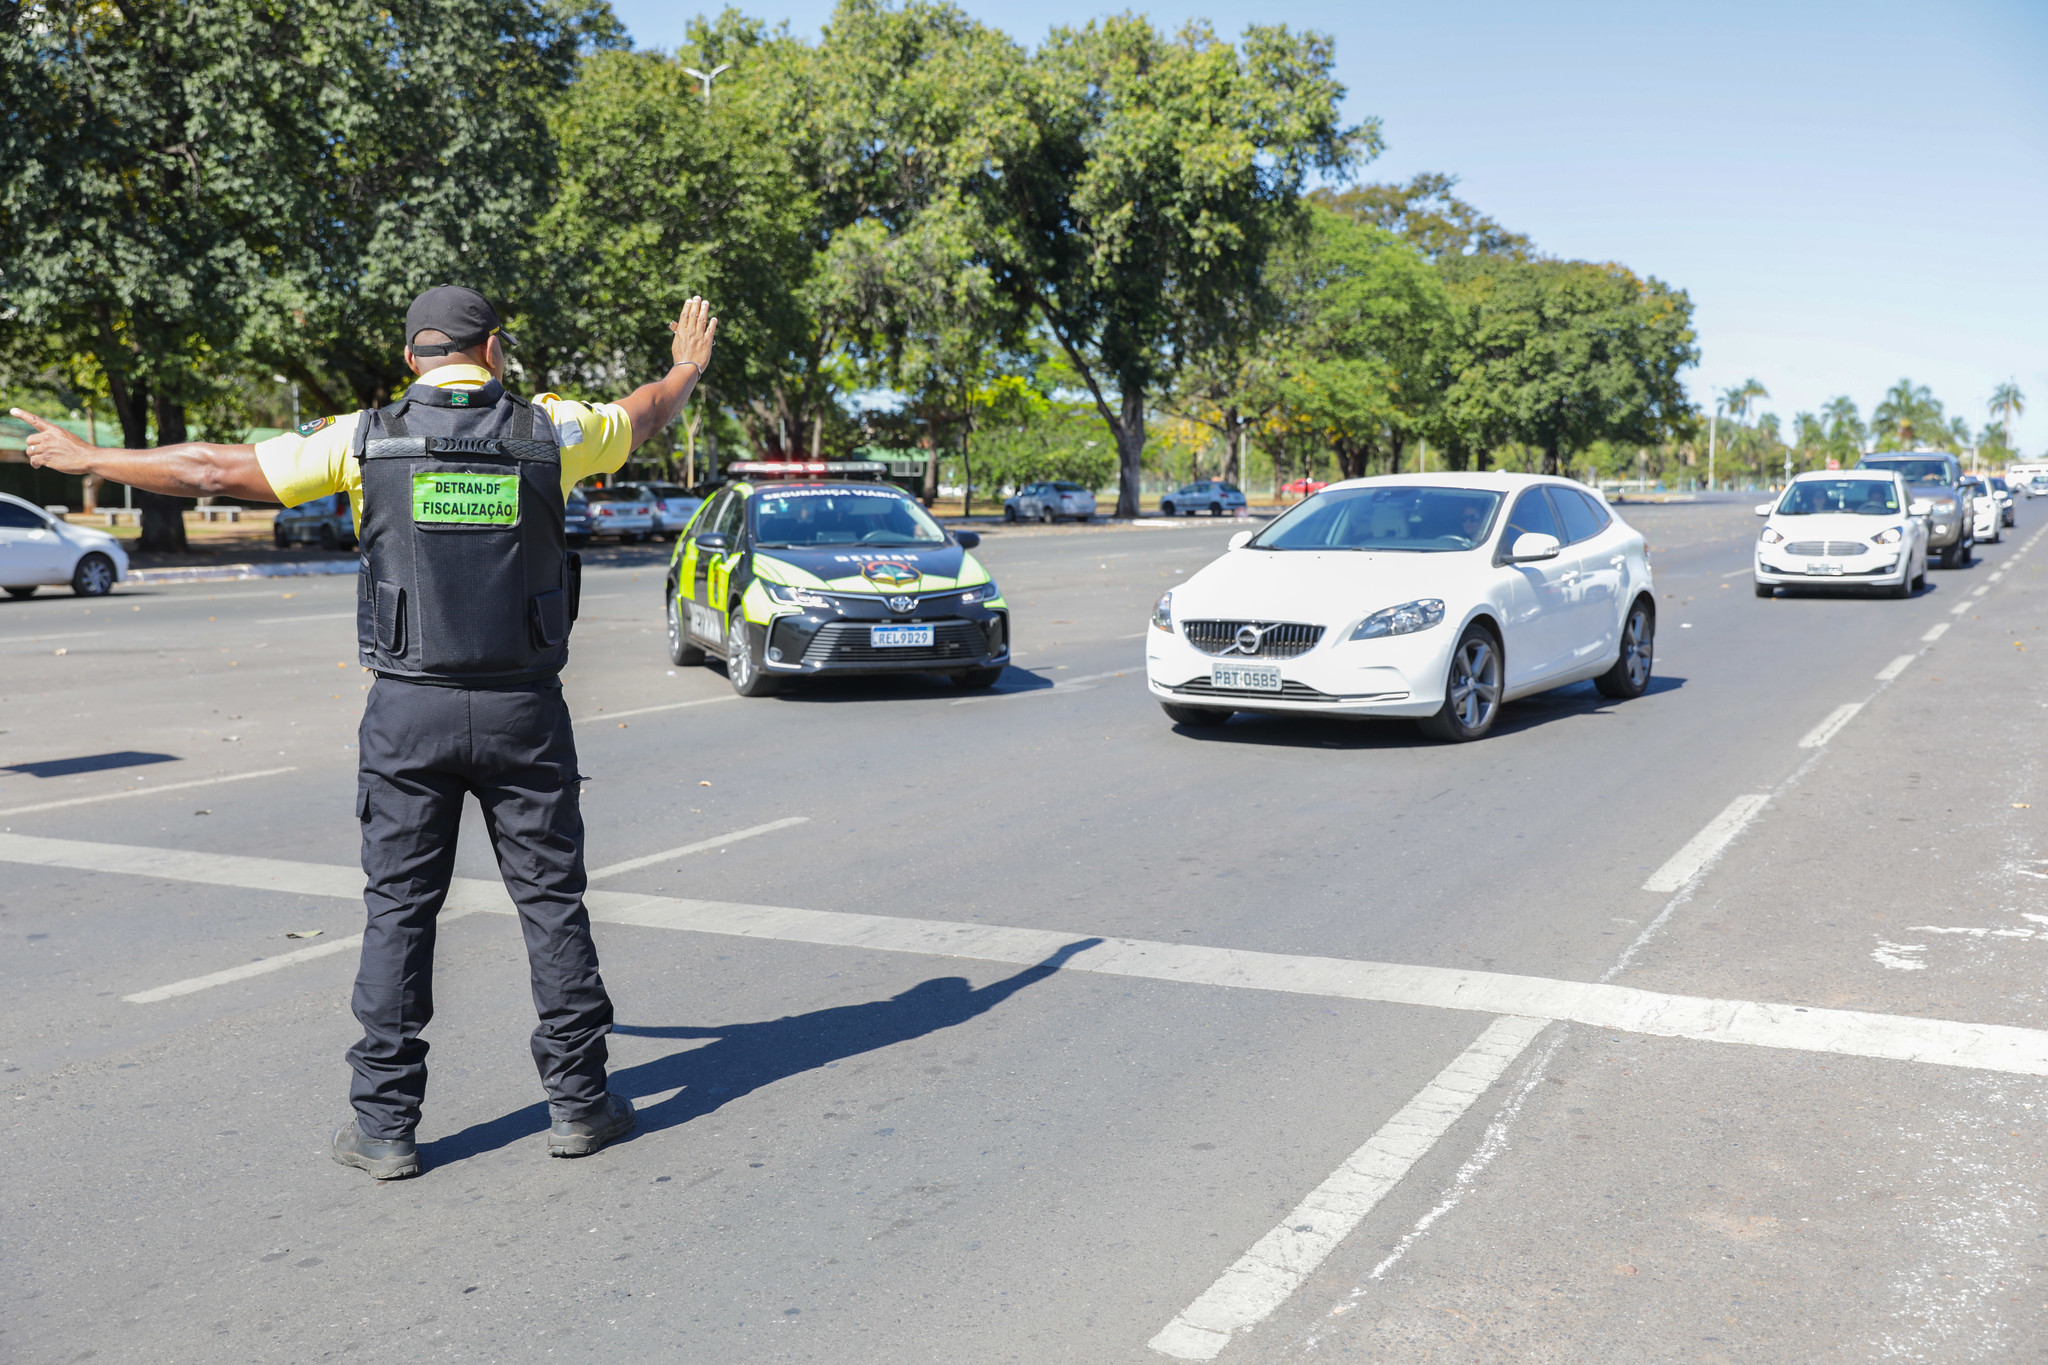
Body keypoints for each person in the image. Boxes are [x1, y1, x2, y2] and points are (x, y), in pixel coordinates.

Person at [12, 286, 718, 1179]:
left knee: (398, 913)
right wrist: (686, 365)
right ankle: (580, 1104)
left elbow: (206, 470)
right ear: (493, 349)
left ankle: (386, 1127)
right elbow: (646, 413)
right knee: (552, 906)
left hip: (407, 712)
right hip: (523, 711)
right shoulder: (553, 430)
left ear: (413, 359)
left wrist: (90, 454)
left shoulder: (361, 437)